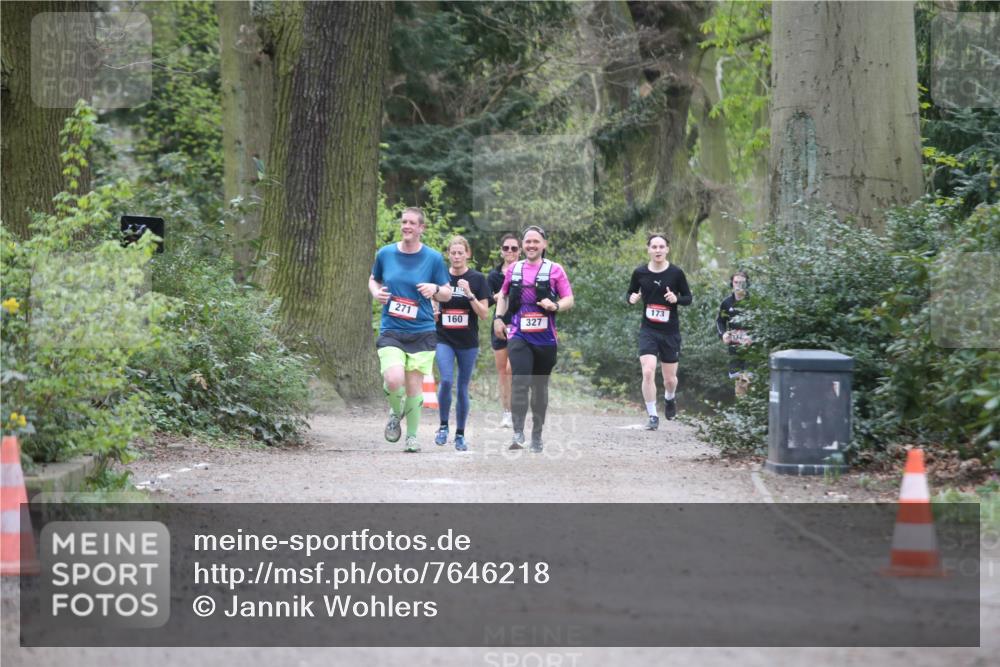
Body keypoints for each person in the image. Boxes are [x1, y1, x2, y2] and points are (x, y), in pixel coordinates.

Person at [369, 207, 452, 453]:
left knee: (414, 387)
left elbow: (447, 292)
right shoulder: (385, 254)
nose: (407, 226)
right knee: (393, 379)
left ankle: (412, 437)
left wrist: (434, 289)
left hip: (422, 331)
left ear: (421, 228)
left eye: (412, 223)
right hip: (392, 329)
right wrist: (376, 292)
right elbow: (374, 278)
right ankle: (396, 412)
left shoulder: (433, 258)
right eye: (404, 222)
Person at [493, 226, 574, 452]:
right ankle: (518, 433)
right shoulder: (514, 269)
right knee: (520, 380)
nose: (531, 245)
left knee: (539, 387)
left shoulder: (555, 270)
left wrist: (555, 305)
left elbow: (569, 299)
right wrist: (498, 318)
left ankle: (536, 435)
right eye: (527, 241)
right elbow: (504, 295)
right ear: (522, 244)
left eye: (535, 242)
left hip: (546, 338)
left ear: (544, 245)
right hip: (519, 333)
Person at [626, 233, 692, 429]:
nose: (657, 250)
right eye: (654, 247)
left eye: (661, 247)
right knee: (647, 372)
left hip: (670, 332)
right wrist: (631, 298)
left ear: (667, 249)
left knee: (670, 380)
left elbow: (688, 298)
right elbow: (630, 292)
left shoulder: (676, 273)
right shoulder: (640, 273)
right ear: (648, 249)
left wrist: (676, 299)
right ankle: (653, 416)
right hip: (648, 330)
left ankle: (670, 398)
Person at [433, 236, 491, 451]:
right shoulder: (440, 277)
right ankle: (443, 427)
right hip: (444, 338)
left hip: (468, 342)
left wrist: (469, 294)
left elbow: (484, 314)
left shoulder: (477, 279)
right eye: (453, 252)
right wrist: (433, 310)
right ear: (448, 254)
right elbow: (430, 300)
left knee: (463, 387)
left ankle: (460, 434)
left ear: (468, 254)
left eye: (460, 252)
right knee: (447, 380)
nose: (456, 256)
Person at [486, 234, 522, 429]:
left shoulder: (526, 272)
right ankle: (507, 413)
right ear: (501, 251)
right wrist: (498, 295)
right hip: (500, 326)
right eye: (506, 248)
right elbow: (486, 301)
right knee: (503, 372)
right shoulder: (494, 276)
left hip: (521, 325)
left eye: (514, 248)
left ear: (520, 251)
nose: (510, 251)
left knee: (513, 368)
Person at [716, 270, 753, 397]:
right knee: (737, 379)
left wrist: (753, 337)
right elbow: (720, 322)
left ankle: (752, 408)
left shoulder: (754, 302)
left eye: (742, 283)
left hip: (752, 349)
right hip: (734, 348)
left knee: (749, 378)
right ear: (731, 284)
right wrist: (723, 335)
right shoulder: (726, 303)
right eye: (736, 282)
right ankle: (741, 408)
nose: (738, 285)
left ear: (747, 284)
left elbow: (763, 324)